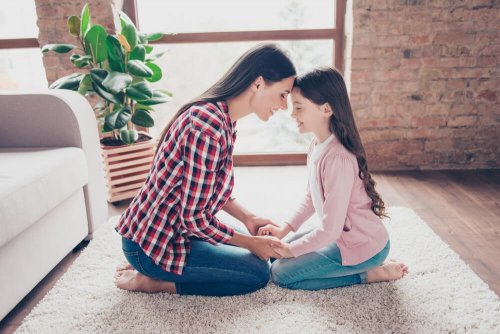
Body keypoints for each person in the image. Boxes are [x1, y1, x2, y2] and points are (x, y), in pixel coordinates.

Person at [113, 43, 296, 296]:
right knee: (257, 272)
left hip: (180, 230)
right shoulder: (207, 125)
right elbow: (195, 219)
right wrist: (252, 243)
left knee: (257, 254)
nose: (284, 106)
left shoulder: (223, 118)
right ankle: (153, 282)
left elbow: (205, 188)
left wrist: (248, 219)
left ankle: (162, 273)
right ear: (258, 83)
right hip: (154, 245)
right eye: (283, 94)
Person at [258, 67, 408, 290]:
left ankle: (369, 274)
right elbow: (311, 198)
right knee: (275, 254)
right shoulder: (316, 145)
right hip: (339, 236)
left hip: (362, 246)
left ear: (326, 109)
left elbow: (330, 230)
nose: (292, 115)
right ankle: (304, 252)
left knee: (280, 273)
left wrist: (291, 250)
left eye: (298, 108)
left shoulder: (338, 159)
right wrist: (284, 230)